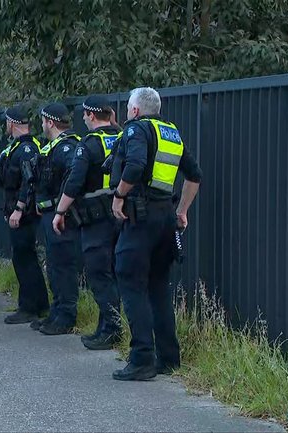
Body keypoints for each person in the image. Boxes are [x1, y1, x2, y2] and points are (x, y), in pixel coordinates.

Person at [110, 87, 202, 380]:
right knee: (158, 287)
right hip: (165, 219)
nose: (126, 112)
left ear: (135, 110)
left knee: (130, 281)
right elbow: (194, 174)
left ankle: (141, 359)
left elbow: (135, 165)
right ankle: (168, 358)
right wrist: (182, 211)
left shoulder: (136, 130)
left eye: (128, 107)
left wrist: (118, 196)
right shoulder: (170, 131)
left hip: (140, 217)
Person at [54, 95, 123, 349]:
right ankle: (105, 326)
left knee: (99, 275)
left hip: (95, 220)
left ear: (92, 116)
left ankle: (111, 330)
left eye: (84, 115)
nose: (83, 119)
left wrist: (60, 212)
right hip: (119, 216)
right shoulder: (121, 136)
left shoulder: (88, 144)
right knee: (113, 273)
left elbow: (74, 181)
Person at [0, 105, 48, 325]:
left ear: (12, 124)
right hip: (18, 210)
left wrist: (19, 210)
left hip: (24, 214)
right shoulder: (17, 147)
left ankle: (29, 307)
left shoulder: (28, 149)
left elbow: (28, 181)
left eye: (6, 123)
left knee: (24, 258)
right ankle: (40, 304)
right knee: (26, 257)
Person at [31, 103, 81, 335]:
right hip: (50, 214)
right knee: (54, 265)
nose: (41, 125)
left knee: (63, 267)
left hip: (63, 217)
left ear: (50, 122)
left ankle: (66, 316)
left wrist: (60, 208)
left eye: (43, 121)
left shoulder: (68, 148)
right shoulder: (53, 147)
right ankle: (57, 311)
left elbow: (73, 178)